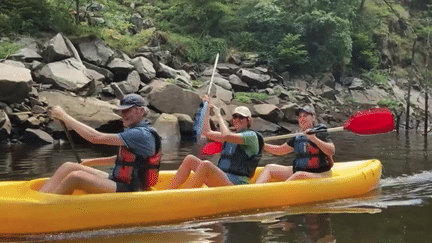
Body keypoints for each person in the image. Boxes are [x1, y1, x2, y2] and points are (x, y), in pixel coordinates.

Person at [39, 94, 161, 194]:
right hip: (119, 181)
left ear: (140, 111)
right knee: (68, 166)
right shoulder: (134, 130)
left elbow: (95, 137)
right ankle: (41, 198)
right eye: (121, 110)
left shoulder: (140, 134)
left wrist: (64, 116)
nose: (123, 114)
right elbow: (122, 159)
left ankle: (46, 208)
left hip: (132, 189)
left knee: (76, 177)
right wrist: (91, 162)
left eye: (127, 110)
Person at [168, 96, 263, 189]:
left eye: (241, 117)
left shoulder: (251, 136)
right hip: (222, 179)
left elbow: (226, 136)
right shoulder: (232, 136)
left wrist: (218, 115)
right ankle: (169, 193)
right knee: (190, 159)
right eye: (235, 117)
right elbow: (206, 132)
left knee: (206, 165)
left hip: (236, 185)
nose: (237, 120)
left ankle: (184, 198)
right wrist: (207, 108)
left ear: (248, 120)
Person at [256, 106, 335, 183]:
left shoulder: (320, 132)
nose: (302, 119)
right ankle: (256, 191)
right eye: (300, 117)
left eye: (305, 116)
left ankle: (279, 192)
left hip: (321, 174)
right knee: (269, 168)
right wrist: (261, 145)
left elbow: (331, 151)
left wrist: (314, 139)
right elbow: (280, 150)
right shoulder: (298, 136)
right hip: (301, 171)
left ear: (313, 118)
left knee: (298, 175)